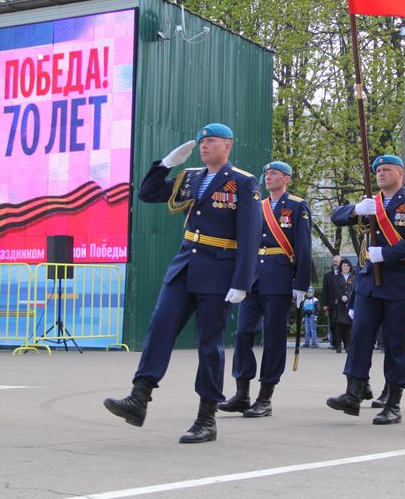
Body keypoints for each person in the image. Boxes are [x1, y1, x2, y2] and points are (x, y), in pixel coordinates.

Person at [103, 123, 261, 443]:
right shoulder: (190, 177)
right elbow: (148, 194)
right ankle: (139, 397)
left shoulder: (243, 182)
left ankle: (206, 417)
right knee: (160, 327)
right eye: (202, 141)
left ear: (228, 145)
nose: (204, 145)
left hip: (219, 271)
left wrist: (243, 280)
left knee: (209, 345)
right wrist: (165, 165)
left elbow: (249, 233)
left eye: (212, 141)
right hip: (184, 266)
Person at [326, 154, 405, 425]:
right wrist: (355, 210)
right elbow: (336, 217)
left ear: (400, 173)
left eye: (387, 169)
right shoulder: (370, 203)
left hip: (399, 282)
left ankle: (393, 401)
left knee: (396, 343)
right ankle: (354, 391)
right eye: (378, 171)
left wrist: (385, 253)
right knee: (360, 336)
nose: (381, 174)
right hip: (369, 285)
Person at [218, 161, 311, 418]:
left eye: (274, 174)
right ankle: (242, 393)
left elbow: (303, 246)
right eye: (267, 173)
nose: (268, 177)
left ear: (287, 179)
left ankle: (265, 397)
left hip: (280, 276)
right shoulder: (257, 206)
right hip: (254, 277)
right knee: (243, 333)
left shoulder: (296, 206)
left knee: (273, 338)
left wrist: (301, 284)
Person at [331, 258, 355, 353]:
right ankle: (338, 346)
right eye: (344, 266)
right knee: (338, 326)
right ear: (341, 267)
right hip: (339, 304)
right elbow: (335, 288)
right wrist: (342, 296)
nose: (346, 267)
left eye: (347, 266)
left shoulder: (353, 277)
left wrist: (348, 297)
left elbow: (353, 289)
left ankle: (348, 345)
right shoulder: (337, 277)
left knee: (348, 326)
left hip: (349, 304)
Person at [320, 254, 342, 349]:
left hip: (343, 305)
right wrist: (324, 304)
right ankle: (335, 343)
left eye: (337, 261)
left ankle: (346, 342)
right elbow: (324, 291)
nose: (335, 263)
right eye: (334, 261)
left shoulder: (346, 274)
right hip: (332, 304)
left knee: (345, 324)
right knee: (333, 324)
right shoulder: (327, 276)